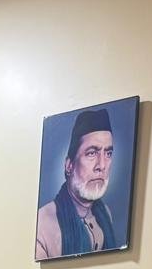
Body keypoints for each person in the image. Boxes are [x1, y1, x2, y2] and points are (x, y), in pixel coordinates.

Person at [35, 107, 119, 260]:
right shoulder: (41, 224)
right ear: (69, 165)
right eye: (91, 153)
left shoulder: (105, 213)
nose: (101, 165)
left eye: (108, 153)